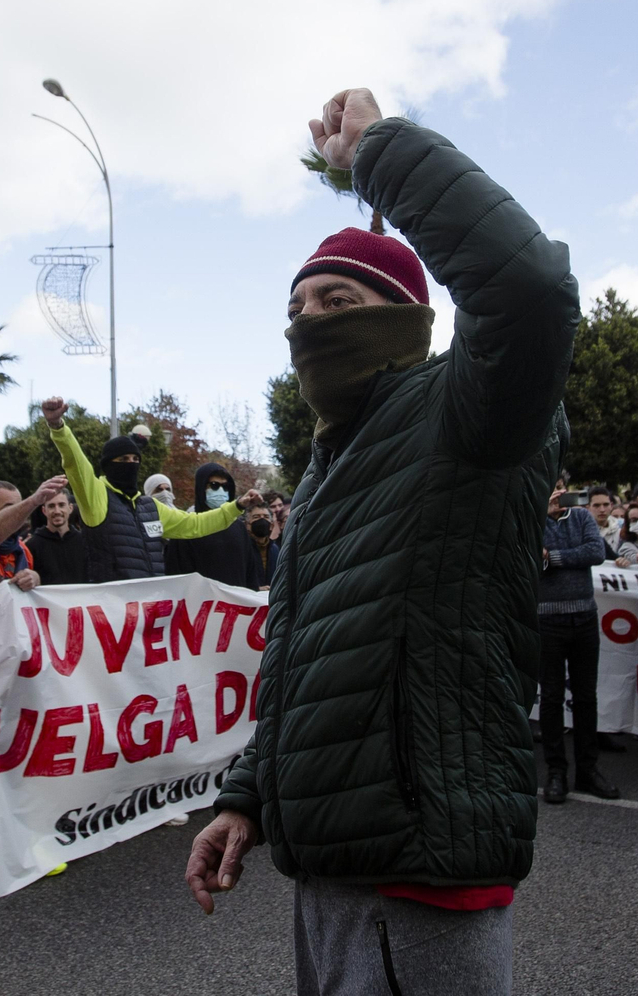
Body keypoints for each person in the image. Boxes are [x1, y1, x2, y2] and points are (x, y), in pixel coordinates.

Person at [187, 88, 577, 995]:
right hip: (324, 866)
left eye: (339, 297)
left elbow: (527, 289)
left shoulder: (464, 415)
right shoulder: (325, 471)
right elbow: (310, 659)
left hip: (424, 876)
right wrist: (248, 795)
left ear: (405, 315)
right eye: (300, 305)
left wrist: (382, 154)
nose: (312, 320)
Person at [41, 399, 262, 583]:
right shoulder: (96, 496)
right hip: (112, 609)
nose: (131, 463)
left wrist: (237, 506)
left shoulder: (150, 507)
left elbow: (194, 525)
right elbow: (76, 464)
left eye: (135, 459)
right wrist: (58, 428)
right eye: (124, 459)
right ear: (109, 464)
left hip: (149, 608)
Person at [537, 485, 619, 804]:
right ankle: (556, 771)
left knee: (586, 697)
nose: (558, 495)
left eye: (562, 489)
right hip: (548, 620)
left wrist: (552, 557)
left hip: (584, 618)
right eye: (552, 489)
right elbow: (526, 557)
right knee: (552, 697)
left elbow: (594, 553)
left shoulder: (583, 517)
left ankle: (588, 769)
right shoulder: (531, 520)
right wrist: (540, 520)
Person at [163, 462, 259, 586]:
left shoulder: (238, 527)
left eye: (225, 486)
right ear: (201, 488)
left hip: (236, 602)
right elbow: (175, 575)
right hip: (200, 602)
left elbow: (250, 571)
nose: (221, 490)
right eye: (214, 485)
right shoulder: (187, 526)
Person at [25, 486, 89, 586]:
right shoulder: (32, 546)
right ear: (44, 510)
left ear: (70, 508)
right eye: (51, 506)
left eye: (61, 505)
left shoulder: (85, 543)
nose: (57, 511)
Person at [244, 503, 279, 591]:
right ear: (247, 524)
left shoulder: (275, 550)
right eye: (256, 517)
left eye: (266, 517)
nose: (262, 520)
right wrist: (256, 589)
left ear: (271, 525)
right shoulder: (241, 549)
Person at [586, 486, 622, 554]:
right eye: (596, 505)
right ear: (588, 508)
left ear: (611, 506)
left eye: (606, 505)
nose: (602, 510)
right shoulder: (580, 531)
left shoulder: (621, 529)